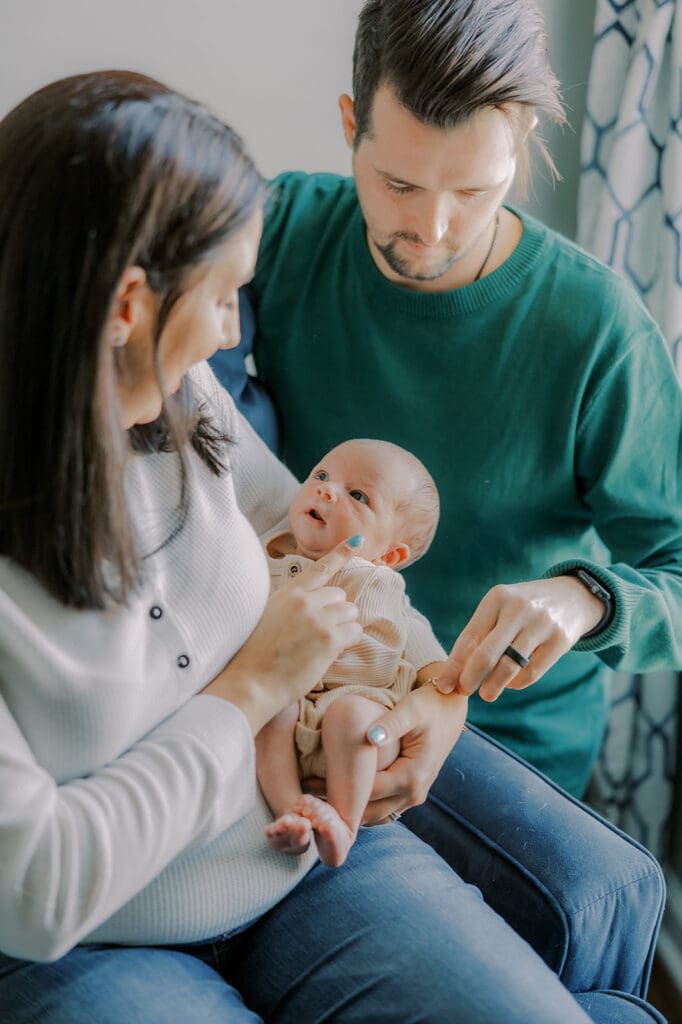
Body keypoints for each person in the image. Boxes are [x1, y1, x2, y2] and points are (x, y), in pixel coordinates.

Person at [0, 71, 668, 1024]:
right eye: (225, 298)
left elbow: (335, 542)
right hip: (100, 933)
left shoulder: (182, 392)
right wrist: (251, 689)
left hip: (310, 854)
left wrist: (438, 698)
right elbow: (37, 888)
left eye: (471, 191)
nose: (235, 336)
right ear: (125, 307)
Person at [242, 0, 682, 802]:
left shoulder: (597, 327)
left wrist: (590, 597)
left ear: (521, 149)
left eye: (473, 191)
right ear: (350, 125)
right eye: (399, 183)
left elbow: (677, 562)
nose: (431, 229)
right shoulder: (283, 230)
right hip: (297, 704)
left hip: (505, 745)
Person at [259, 438, 442, 867]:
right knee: (269, 707)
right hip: (290, 706)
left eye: (358, 496)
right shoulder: (267, 553)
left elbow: (378, 655)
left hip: (354, 713)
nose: (325, 490)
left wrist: (300, 659)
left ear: (389, 555)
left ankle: (342, 822)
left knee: (352, 718)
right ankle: (293, 813)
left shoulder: (371, 581)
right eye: (321, 476)